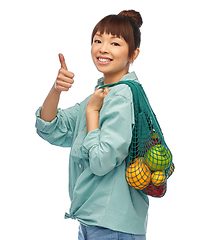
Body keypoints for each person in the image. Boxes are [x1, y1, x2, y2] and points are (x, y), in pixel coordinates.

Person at [35, 10, 148, 239]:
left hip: (112, 225)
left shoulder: (121, 96)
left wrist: (92, 113)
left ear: (133, 54)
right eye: (98, 40)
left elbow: (101, 161)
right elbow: (49, 127)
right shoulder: (99, 95)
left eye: (115, 43)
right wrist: (56, 89)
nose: (103, 48)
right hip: (93, 221)